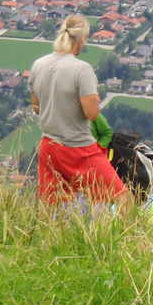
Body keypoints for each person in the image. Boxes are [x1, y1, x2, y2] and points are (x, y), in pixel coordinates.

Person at [29, 15, 129, 209]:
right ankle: (119, 238)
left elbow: (36, 108)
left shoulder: (39, 65)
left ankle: (50, 239)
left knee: (55, 207)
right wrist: (94, 101)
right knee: (122, 196)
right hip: (78, 146)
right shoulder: (81, 69)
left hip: (48, 146)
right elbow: (91, 114)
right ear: (83, 38)